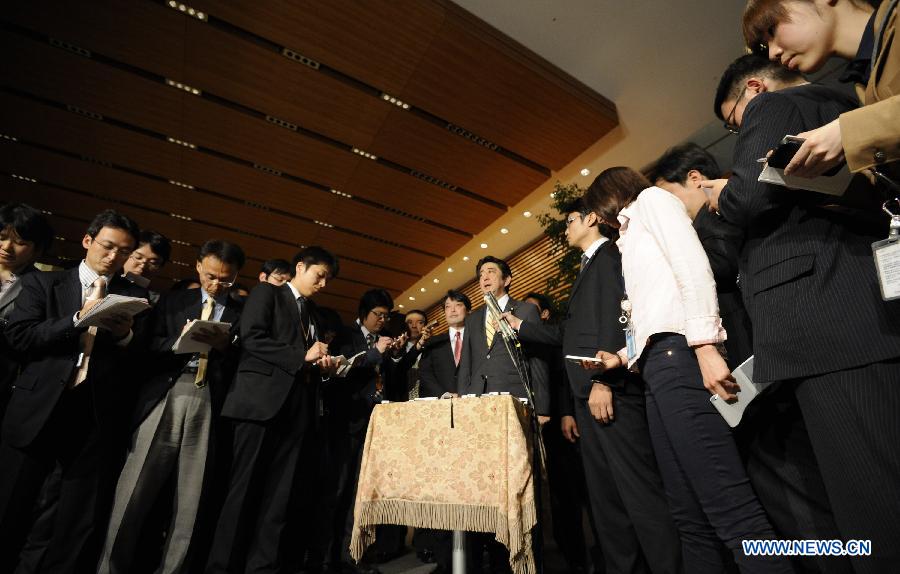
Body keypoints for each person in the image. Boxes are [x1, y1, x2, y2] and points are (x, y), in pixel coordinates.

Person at [705, 50, 900, 572]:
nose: (737, 130)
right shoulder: (845, 107)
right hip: (860, 310)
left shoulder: (774, 105)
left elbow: (749, 198)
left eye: (732, 121)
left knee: (871, 509)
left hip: (824, 324)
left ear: (752, 89)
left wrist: (721, 195)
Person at [583, 168, 792, 574]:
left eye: (599, 211)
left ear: (610, 196)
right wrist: (622, 359)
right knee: (688, 515)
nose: (601, 221)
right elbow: (652, 310)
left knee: (729, 506)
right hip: (655, 367)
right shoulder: (627, 237)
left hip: (680, 357)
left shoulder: (651, 202)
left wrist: (706, 345)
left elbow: (693, 268)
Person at [504, 202, 681, 574]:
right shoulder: (587, 266)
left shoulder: (611, 257)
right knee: (606, 500)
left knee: (638, 493)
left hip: (610, 390)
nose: (565, 229)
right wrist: (522, 327)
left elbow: (621, 318)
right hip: (587, 395)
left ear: (590, 220)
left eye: (569, 221)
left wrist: (604, 379)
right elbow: (570, 336)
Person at [0, 209, 148, 573]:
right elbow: (21, 337)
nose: (113, 257)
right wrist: (76, 320)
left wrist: (126, 335)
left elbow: (144, 361)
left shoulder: (136, 297)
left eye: (123, 251)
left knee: (74, 518)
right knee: (12, 504)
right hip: (40, 405)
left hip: (94, 415)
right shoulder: (46, 284)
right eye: (107, 246)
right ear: (88, 241)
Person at [98, 239, 245, 574]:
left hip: (209, 396)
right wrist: (177, 343)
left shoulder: (241, 312)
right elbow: (145, 346)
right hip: (168, 390)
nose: (216, 284)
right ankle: (110, 567)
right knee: (134, 489)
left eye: (226, 280)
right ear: (197, 266)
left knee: (191, 500)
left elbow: (244, 364)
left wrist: (227, 347)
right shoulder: (173, 300)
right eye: (211, 275)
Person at [206, 246, 338, 574]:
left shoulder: (314, 313)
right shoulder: (269, 293)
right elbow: (252, 338)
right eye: (319, 275)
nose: (323, 284)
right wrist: (300, 356)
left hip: (298, 411)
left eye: (327, 279)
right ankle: (222, 566)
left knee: (278, 499)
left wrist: (323, 365)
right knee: (242, 492)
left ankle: (261, 567)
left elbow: (307, 356)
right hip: (259, 405)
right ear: (300, 267)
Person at [456, 255, 549, 574]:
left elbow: (538, 359)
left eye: (491, 272)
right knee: (487, 482)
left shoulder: (525, 310)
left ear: (507, 279)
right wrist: (464, 402)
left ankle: (524, 555)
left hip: (515, 402)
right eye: (481, 274)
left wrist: (544, 407)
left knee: (518, 479)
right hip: (479, 409)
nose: (484, 277)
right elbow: (466, 364)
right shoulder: (472, 318)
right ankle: (493, 555)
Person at [742, 0, 899, 180]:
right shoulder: (864, 81)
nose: (772, 53)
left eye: (772, 30)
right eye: (765, 45)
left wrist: (845, 133)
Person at [312, 288, 394, 574]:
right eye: (377, 314)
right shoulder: (347, 336)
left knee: (361, 495)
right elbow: (342, 371)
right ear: (363, 313)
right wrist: (374, 353)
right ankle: (324, 557)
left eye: (386, 315)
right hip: (345, 423)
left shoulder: (383, 342)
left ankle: (352, 556)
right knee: (335, 491)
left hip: (373, 425)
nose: (382, 320)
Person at [649, 143, 752, 368]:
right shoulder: (699, 224)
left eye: (668, 194)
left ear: (694, 177)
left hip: (745, 330)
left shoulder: (717, 212)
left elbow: (723, 264)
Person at [0, 203, 54, 426]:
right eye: (2, 237)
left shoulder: (40, 286)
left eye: (20, 242)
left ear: (37, 249)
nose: (6, 247)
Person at [122, 230, 171, 305]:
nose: (143, 266)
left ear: (160, 267)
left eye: (152, 263)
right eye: (138, 257)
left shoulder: (159, 304)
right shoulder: (103, 284)